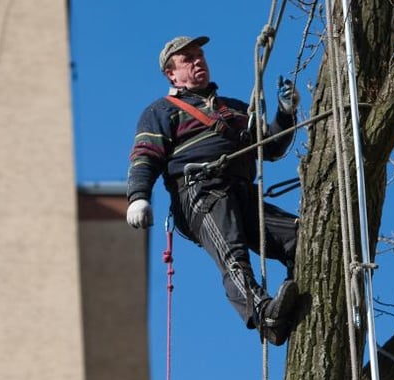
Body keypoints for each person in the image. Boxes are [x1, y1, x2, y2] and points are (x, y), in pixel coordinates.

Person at [125, 35, 302, 345]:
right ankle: (265, 315)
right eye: (188, 59)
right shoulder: (162, 111)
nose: (198, 62)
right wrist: (139, 197)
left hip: (242, 191)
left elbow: (270, 148)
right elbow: (145, 156)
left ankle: (302, 285)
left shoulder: (233, 110)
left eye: (200, 56)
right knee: (232, 253)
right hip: (199, 192)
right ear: (171, 73)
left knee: (300, 237)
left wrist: (285, 114)